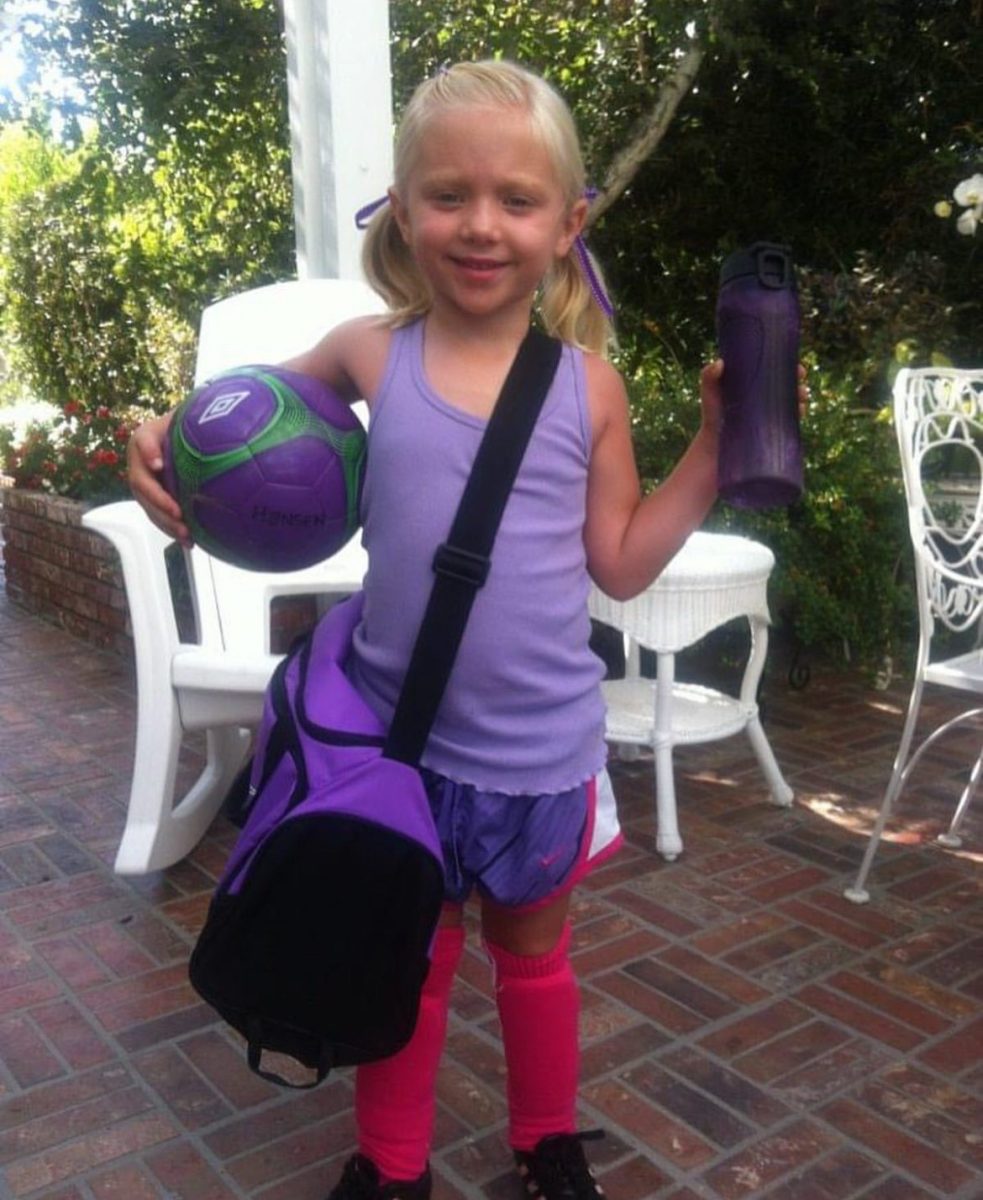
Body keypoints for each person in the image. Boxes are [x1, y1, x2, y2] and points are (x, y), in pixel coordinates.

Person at [129, 59, 791, 1200]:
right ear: (401, 208)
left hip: (537, 758)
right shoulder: (365, 353)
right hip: (396, 753)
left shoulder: (589, 389)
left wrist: (715, 442)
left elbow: (621, 565)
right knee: (412, 968)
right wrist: (156, 441)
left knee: (534, 965)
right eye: (447, 195)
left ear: (566, 221)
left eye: (516, 200)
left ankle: (544, 1141)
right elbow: (227, 434)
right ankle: (391, 1167)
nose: (480, 225)